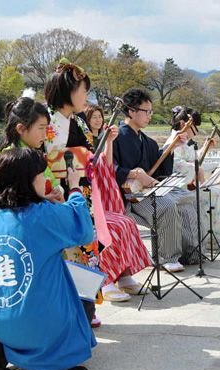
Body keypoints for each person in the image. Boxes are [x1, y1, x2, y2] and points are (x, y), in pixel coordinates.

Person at [0, 148, 95, 370]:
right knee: (86, 292)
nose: (45, 179)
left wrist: (46, 203)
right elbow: (84, 230)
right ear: (28, 180)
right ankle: (52, 361)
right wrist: (75, 188)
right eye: (41, 175)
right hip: (39, 325)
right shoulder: (45, 214)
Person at [44, 60, 151, 304]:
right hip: (61, 194)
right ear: (68, 92)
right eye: (83, 91)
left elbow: (93, 157)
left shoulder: (79, 120)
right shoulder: (49, 121)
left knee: (87, 248)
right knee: (74, 250)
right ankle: (81, 305)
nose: (86, 96)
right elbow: (47, 160)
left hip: (85, 192)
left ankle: (89, 304)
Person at [113, 88, 201, 271]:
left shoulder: (147, 141)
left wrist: (172, 147)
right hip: (130, 196)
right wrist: (135, 174)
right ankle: (166, 257)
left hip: (148, 191)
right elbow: (111, 168)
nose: (149, 116)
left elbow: (160, 167)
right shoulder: (117, 137)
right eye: (146, 111)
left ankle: (190, 252)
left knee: (185, 199)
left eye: (150, 112)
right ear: (131, 111)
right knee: (167, 205)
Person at [164, 106, 220, 249]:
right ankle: (212, 238)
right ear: (182, 124)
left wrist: (205, 148)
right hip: (180, 188)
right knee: (214, 195)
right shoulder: (173, 141)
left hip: (190, 184)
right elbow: (174, 164)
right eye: (194, 128)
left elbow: (194, 159)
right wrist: (194, 168)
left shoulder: (183, 141)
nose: (196, 132)